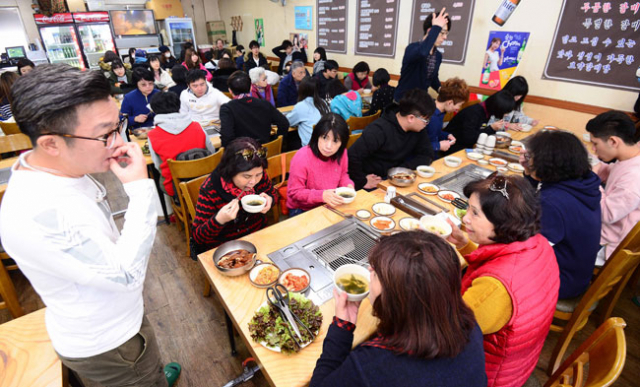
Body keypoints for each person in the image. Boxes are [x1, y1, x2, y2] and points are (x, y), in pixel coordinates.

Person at [0, 63, 181, 387]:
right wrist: (141, 188)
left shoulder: (58, 168)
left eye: (118, 126)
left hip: (121, 315)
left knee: (148, 364)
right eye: (105, 134)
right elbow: (126, 275)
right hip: (107, 343)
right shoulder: (39, 214)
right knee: (139, 373)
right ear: (51, 143)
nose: (118, 141)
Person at [309, 231, 487, 387]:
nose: (369, 269)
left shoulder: (372, 366)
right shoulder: (469, 325)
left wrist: (341, 329)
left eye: (377, 274)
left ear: (397, 299)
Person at [446, 173, 560, 387]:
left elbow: (446, 333)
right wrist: (464, 244)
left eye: (475, 213)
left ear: (502, 223)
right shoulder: (537, 242)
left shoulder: (496, 288)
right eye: (468, 209)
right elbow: (496, 264)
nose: (465, 219)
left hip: (491, 376)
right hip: (519, 361)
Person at [521, 130, 601, 299]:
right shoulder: (584, 182)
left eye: (532, 156)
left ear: (548, 164)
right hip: (576, 272)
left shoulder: (553, 202)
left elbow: (528, 248)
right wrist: (530, 175)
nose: (529, 160)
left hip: (560, 279)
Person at [191, 137, 276, 255]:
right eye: (246, 177)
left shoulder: (257, 174)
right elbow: (198, 238)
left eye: (258, 175)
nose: (253, 182)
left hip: (258, 236)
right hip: (227, 248)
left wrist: (270, 200)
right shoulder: (210, 189)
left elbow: (272, 193)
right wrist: (219, 220)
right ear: (231, 171)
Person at [348, 89, 435, 190]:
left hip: (395, 178)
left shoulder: (418, 129)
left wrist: (400, 170)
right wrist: (362, 180)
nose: (427, 123)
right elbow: (351, 156)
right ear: (411, 118)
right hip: (374, 179)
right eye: (426, 120)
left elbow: (427, 154)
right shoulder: (378, 130)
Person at [586, 111, 640, 264]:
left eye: (595, 144)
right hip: (605, 228)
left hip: (606, 245)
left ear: (613, 141)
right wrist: (596, 167)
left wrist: (593, 179)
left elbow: (607, 214)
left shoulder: (634, 178)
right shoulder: (630, 157)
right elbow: (613, 173)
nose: (594, 150)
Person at [148, 91, 215, 198]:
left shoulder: (152, 135)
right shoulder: (197, 126)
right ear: (179, 106)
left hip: (176, 189)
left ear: (154, 110)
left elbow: (157, 165)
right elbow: (211, 152)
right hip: (204, 181)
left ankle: (177, 207)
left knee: (160, 176)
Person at [286, 114, 354, 215]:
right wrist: (321, 196)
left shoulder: (342, 153)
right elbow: (294, 192)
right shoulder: (302, 157)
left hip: (329, 203)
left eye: (335, 141)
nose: (328, 146)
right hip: (303, 208)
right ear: (317, 136)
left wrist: (348, 186)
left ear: (342, 143)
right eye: (325, 138)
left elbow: (343, 175)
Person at [220, 71, 289, 148]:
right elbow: (284, 123)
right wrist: (275, 143)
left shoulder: (227, 109)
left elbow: (227, 137)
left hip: (242, 155)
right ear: (251, 88)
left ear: (230, 90)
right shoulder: (264, 103)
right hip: (266, 152)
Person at [394, 8, 450, 101]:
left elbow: (432, 78)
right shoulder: (412, 48)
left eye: (446, 33)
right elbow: (423, 53)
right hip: (403, 102)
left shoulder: (438, 56)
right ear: (430, 31)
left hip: (419, 103)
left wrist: (440, 89)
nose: (445, 37)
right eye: (442, 32)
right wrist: (436, 27)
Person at [444, 89, 515, 154]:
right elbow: (469, 139)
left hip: (465, 145)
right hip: (452, 147)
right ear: (498, 108)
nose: (506, 115)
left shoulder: (486, 110)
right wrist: (491, 129)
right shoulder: (474, 113)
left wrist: (492, 129)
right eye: (505, 112)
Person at [425, 77, 469, 155]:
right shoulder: (429, 115)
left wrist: (446, 135)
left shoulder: (441, 113)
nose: (457, 109)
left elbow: (434, 134)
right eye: (459, 105)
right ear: (449, 103)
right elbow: (415, 145)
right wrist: (438, 146)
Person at [287, 77, 330, 147]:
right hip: (325, 143)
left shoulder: (301, 106)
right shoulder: (323, 103)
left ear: (301, 89)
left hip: (310, 147)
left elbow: (288, 122)